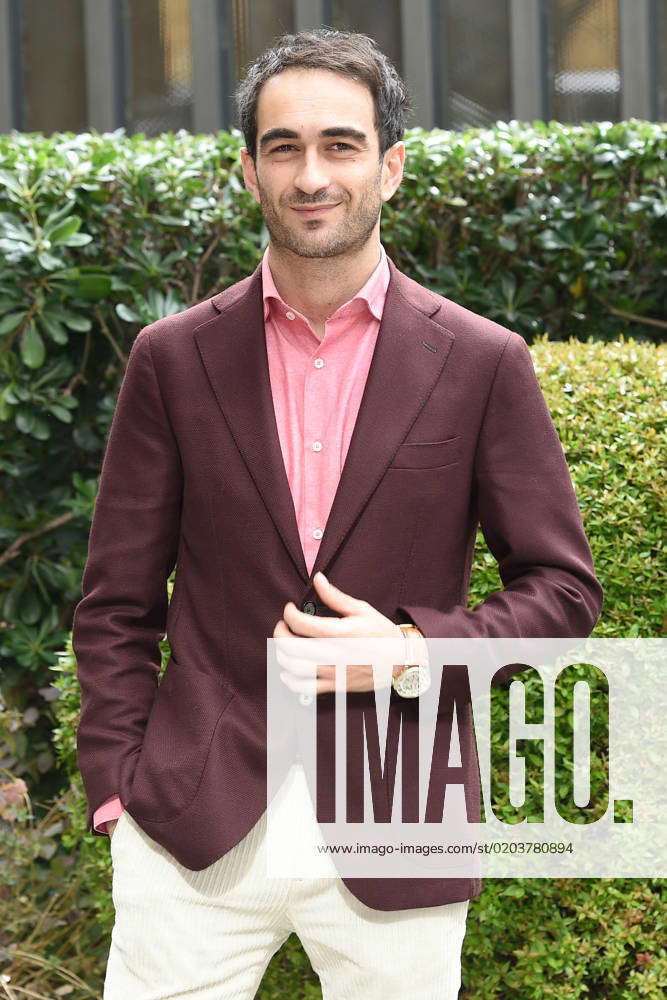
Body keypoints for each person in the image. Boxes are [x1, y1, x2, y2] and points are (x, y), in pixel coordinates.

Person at [72, 27, 603, 1000]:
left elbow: (563, 592)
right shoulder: (173, 358)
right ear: (249, 170)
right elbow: (115, 602)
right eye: (284, 147)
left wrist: (411, 647)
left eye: (340, 144)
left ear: (390, 165)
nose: (311, 173)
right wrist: (119, 787)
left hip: (397, 818)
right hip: (193, 828)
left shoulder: (482, 362)